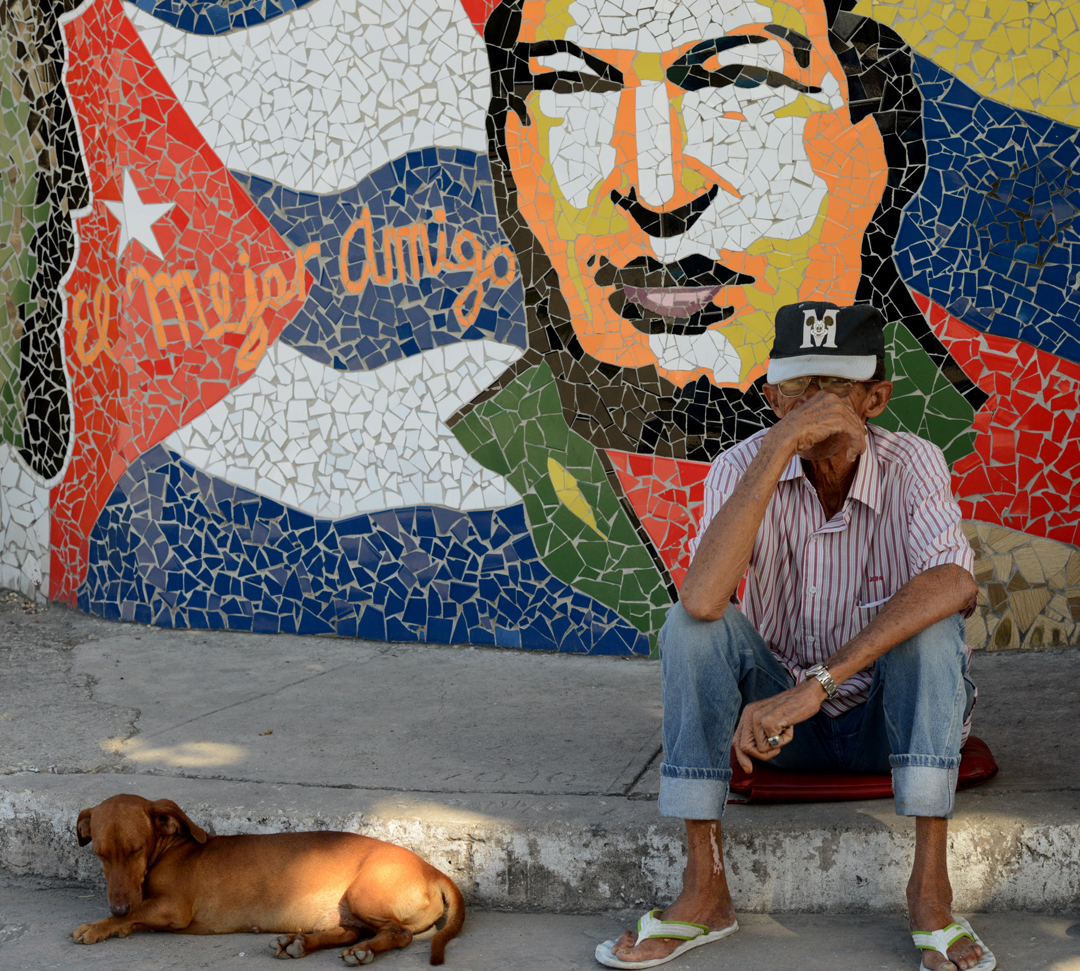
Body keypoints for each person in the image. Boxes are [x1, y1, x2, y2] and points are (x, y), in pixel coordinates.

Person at [595, 301, 994, 971]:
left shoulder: (914, 462)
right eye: (800, 389)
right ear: (772, 394)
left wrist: (818, 685)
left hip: (883, 724)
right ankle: (705, 889)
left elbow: (955, 581)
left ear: (876, 397)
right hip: (775, 731)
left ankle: (932, 893)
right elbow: (700, 600)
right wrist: (778, 447)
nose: (815, 406)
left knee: (932, 627)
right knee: (690, 628)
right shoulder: (741, 463)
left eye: (835, 389)